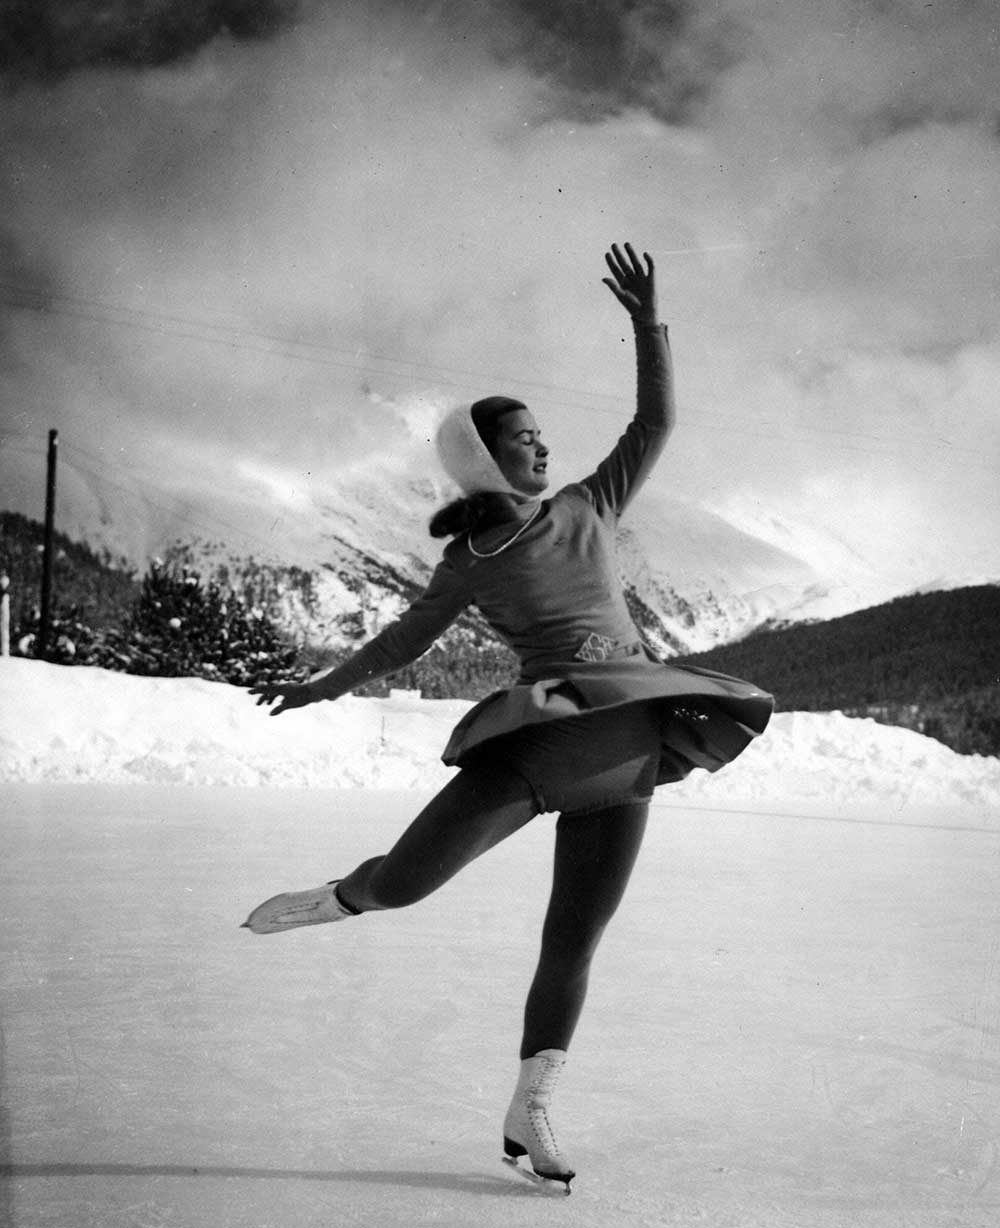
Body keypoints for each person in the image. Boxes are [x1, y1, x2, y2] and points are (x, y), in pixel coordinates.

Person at [245, 243, 773, 1191]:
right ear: (485, 459)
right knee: (404, 888)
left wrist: (647, 323)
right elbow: (403, 642)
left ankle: (530, 1111)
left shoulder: (588, 504)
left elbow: (655, 422)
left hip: (630, 747)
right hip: (544, 742)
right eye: (523, 437)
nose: (542, 444)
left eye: (538, 433)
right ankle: (336, 898)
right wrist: (326, 685)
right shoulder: (472, 562)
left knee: (574, 945)